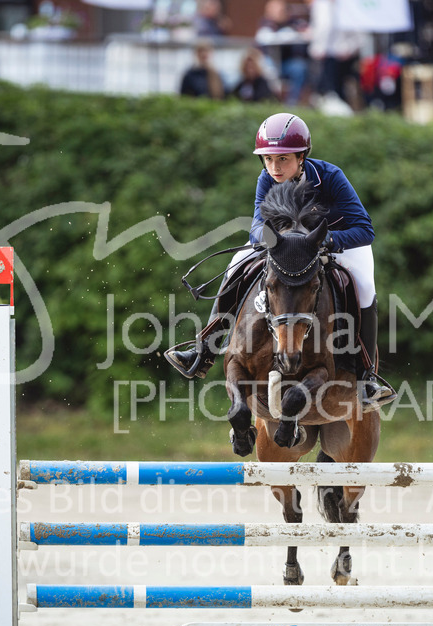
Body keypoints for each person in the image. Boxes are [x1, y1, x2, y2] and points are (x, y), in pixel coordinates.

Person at [165, 112, 396, 412]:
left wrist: (327, 241)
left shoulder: (331, 177)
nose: (275, 167)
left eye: (283, 159)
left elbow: (365, 229)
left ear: (301, 157)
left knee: (363, 284)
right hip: (285, 248)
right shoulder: (266, 179)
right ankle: (204, 350)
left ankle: (366, 378)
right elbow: (256, 228)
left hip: (335, 244)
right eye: (268, 159)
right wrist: (278, 242)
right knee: (237, 260)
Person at [255, 0, 310, 105]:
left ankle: (292, 103)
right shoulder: (266, 24)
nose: (276, 13)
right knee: (265, 66)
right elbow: (262, 39)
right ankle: (270, 101)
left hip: (287, 63)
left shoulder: (295, 23)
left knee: (299, 68)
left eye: (280, 10)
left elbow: (307, 33)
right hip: (270, 62)